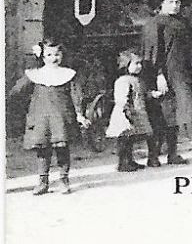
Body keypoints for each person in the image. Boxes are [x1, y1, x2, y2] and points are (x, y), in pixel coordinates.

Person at [9, 40, 86, 194]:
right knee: (43, 151)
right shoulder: (35, 74)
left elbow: (76, 95)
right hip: (41, 118)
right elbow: (17, 91)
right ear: (43, 57)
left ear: (62, 55)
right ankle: (43, 182)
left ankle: (64, 180)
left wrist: (79, 113)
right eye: (49, 54)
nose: (53, 58)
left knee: (62, 149)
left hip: (62, 118)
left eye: (57, 54)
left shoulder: (68, 74)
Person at [140, 0, 192, 166]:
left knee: (176, 115)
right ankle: (153, 155)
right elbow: (152, 52)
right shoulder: (154, 24)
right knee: (159, 114)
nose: (175, 5)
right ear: (161, 4)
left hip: (180, 74)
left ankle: (173, 153)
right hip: (162, 75)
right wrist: (158, 76)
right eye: (171, 1)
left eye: (177, 2)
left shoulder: (182, 22)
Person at [105, 49, 153, 171]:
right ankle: (123, 162)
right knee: (124, 139)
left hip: (136, 112)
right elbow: (121, 98)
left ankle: (130, 160)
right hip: (126, 114)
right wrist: (126, 110)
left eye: (140, 63)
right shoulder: (123, 81)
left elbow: (142, 94)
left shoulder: (138, 80)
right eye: (136, 63)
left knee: (131, 139)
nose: (139, 66)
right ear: (126, 64)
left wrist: (152, 94)